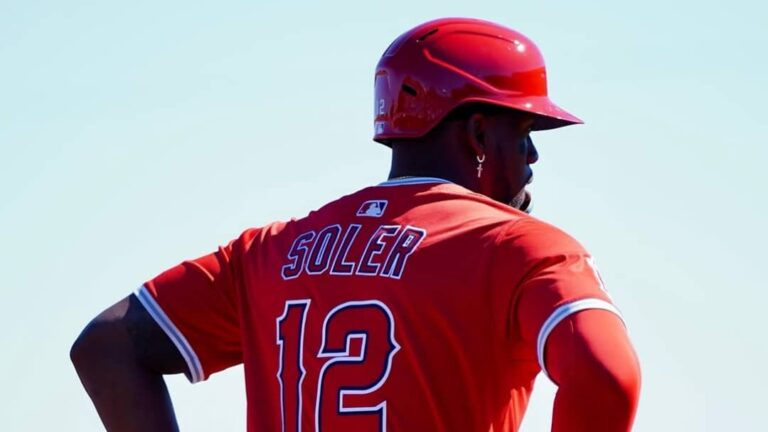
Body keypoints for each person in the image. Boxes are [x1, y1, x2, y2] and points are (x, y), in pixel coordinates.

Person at [71, 17, 640, 432]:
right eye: (524, 135)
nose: (533, 158)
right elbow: (607, 376)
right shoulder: (521, 248)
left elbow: (106, 345)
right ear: (476, 135)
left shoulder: (269, 251)